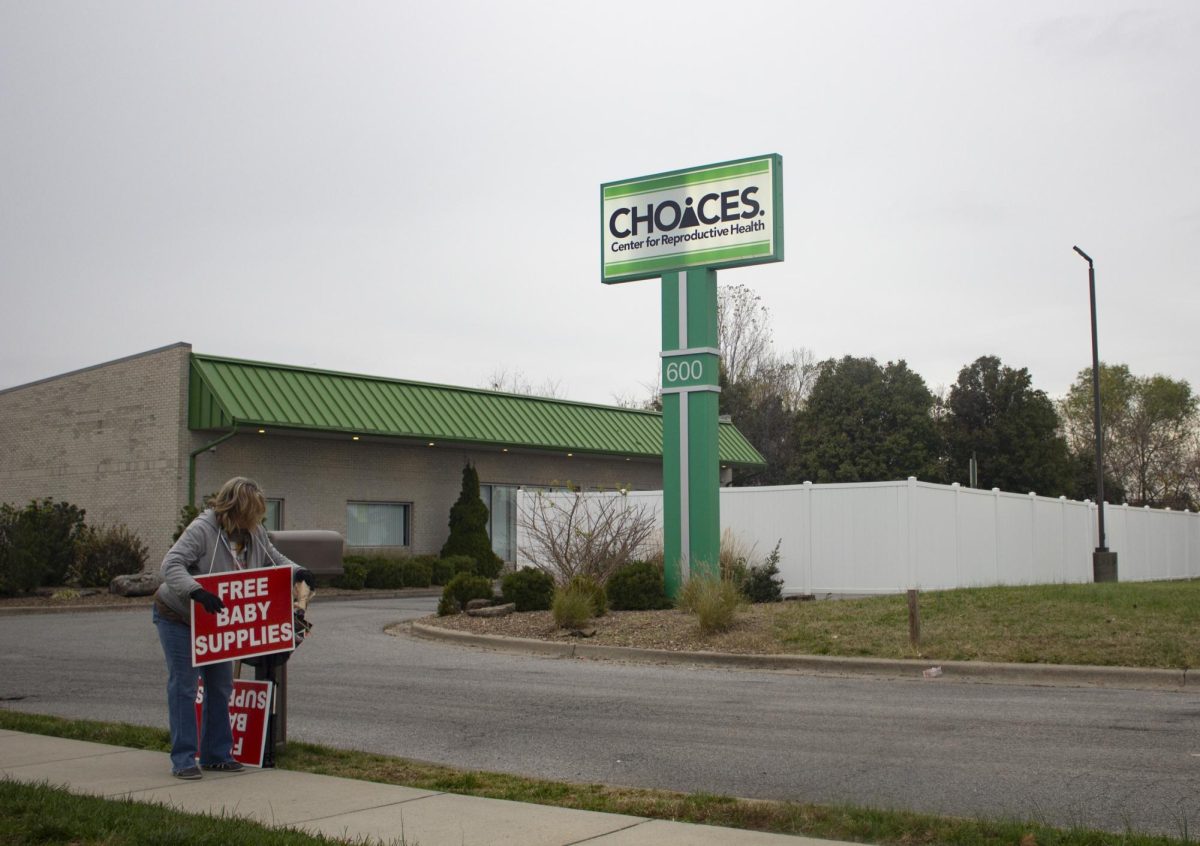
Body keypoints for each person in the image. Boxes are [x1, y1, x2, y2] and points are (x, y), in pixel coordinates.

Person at [153, 476, 315, 779]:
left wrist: (297, 571)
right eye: (251, 512)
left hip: (215, 621)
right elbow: (171, 564)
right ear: (235, 508)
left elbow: (273, 559)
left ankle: (216, 753)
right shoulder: (202, 530)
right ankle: (184, 758)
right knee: (185, 687)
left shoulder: (254, 532)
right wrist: (195, 591)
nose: (256, 520)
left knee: (220, 685)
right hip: (179, 616)